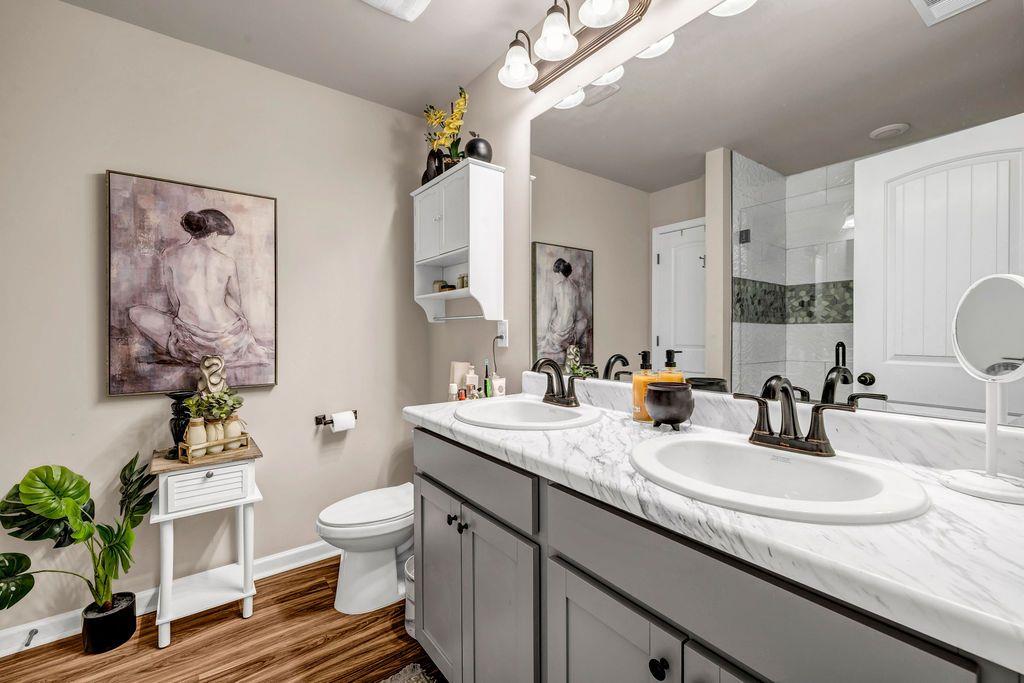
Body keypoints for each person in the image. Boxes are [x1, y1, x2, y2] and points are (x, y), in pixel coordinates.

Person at [128, 209, 272, 367]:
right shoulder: (227, 262)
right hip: (231, 343)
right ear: (214, 234)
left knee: (135, 312)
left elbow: (175, 301)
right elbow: (237, 304)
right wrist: (243, 332)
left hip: (190, 344)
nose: (223, 244)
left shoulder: (170, 255)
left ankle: (199, 353)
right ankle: (231, 351)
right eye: (224, 240)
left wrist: (191, 318)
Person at [537, 257, 588, 363]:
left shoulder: (557, 287)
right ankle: (565, 342)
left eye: (556, 273)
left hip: (559, 330)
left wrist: (550, 323)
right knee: (583, 320)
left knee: (553, 317)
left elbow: (552, 309)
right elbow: (575, 311)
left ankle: (559, 341)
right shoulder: (575, 288)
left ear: (560, 272)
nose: (555, 276)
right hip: (569, 331)